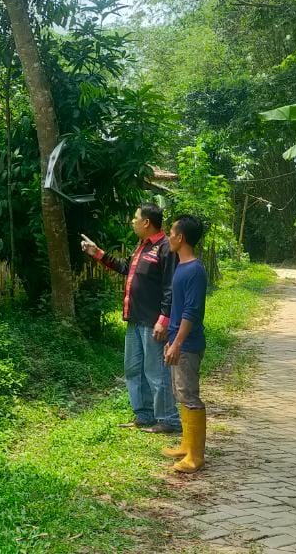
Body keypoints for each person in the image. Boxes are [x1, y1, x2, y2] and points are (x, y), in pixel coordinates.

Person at [82, 203, 180, 434]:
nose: (132, 222)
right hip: (134, 320)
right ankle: (144, 415)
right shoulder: (142, 247)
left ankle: (168, 420)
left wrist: (164, 319)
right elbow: (126, 268)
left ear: (146, 222)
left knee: (156, 372)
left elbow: (170, 287)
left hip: (152, 321)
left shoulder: (165, 248)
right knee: (134, 370)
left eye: (135, 218)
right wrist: (98, 253)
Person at [161, 215, 209, 473]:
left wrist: (178, 343)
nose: (168, 237)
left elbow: (191, 312)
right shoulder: (181, 266)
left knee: (189, 395)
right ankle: (185, 445)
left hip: (188, 344)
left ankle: (196, 456)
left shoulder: (195, 271)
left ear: (181, 238)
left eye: (171, 233)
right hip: (177, 340)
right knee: (180, 392)